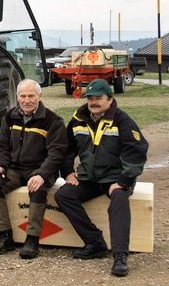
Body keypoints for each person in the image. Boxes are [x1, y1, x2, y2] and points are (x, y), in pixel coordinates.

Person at [55, 79, 148, 277]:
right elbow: (66, 148)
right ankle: (94, 242)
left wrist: (123, 181)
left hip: (114, 178)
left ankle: (120, 256)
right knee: (64, 195)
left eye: (98, 98)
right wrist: (67, 171)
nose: (93, 102)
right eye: (90, 98)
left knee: (120, 199)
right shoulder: (78, 119)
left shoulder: (122, 120)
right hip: (88, 177)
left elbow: (137, 152)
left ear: (110, 99)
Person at [0, 79, 68, 259]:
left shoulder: (53, 121)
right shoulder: (9, 117)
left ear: (40, 96)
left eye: (31, 96)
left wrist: (41, 174)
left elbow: (56, 154)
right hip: (15, 169)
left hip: (40, 169)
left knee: (37, 189)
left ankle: (32, 239)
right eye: (22, 96)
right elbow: (2, 146)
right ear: (17, 97)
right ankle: (4, 235)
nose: (26, 100)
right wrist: (0, 165)